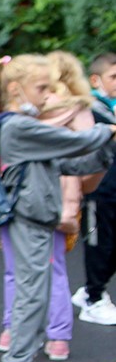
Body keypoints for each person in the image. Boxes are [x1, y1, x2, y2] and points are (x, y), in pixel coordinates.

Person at [0, 55, 116, 362]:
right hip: (29, 220)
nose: (47, 96)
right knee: (30, 296)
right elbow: (72, 142)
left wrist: (104, 148)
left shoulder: (26, 126)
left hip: (40, 220)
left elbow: (73, 163)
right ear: (15, 89)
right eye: (42, 89)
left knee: (36, 295)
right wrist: (107, 131)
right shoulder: (16, 127)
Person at [0, 51, 94, 359]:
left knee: (27, 272)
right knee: (45, 271)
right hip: (39, 206)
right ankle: (48, 337)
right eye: (42, 88)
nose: (47, 95)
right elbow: (84, 161)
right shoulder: (29, 120)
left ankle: (25, 337)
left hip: (26, 207)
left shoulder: (31, 118)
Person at [72, 51, 116, 326]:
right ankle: (93, 298)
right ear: (95, 79)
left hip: (113, 190)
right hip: (96, 192)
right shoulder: (88, 110)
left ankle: (90, 292)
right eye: (114, 77)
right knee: (98, 244)